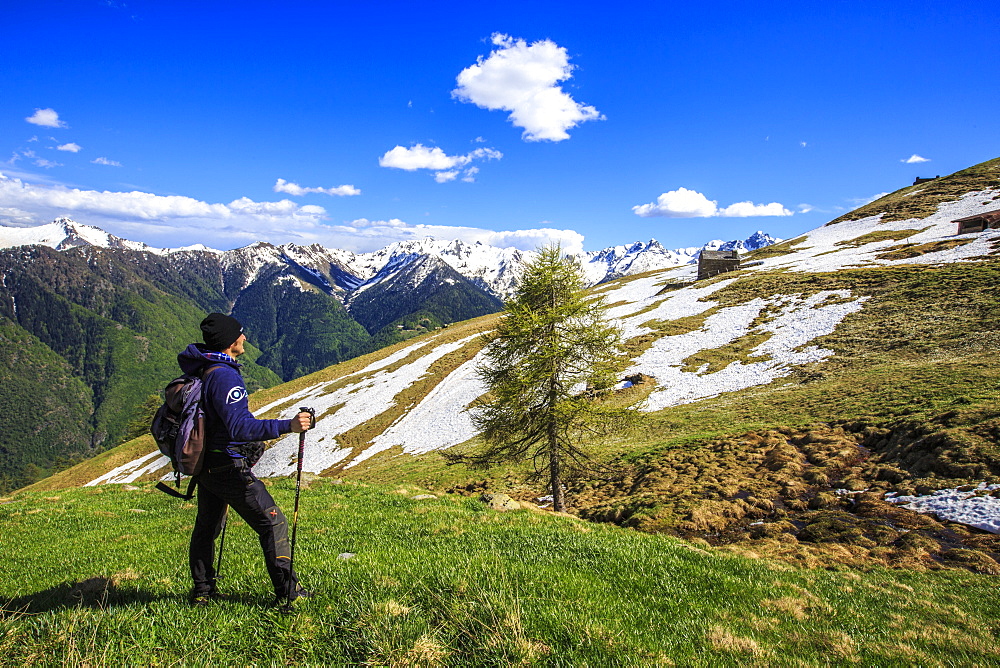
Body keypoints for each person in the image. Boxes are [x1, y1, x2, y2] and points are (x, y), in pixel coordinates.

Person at [179, 312, 313, 607]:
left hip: (207, 466)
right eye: (240, 334)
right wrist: (287, 425)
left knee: (206, 527)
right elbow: (240, 427)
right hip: (228, 467)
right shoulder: (225, 376)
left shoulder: (205, 368)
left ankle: (203, 591)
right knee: (272, 523)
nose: (245, 338)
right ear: (230, 342)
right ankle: (288, 593)